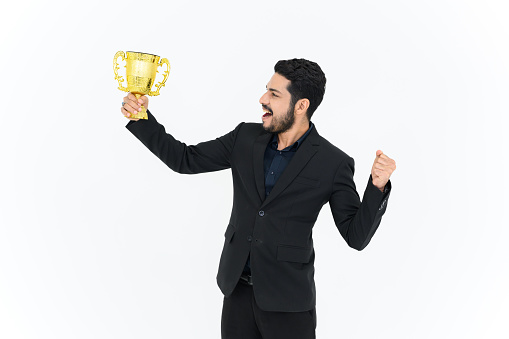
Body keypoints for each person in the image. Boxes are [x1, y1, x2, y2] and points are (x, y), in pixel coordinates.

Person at [120, 58, 396, 339]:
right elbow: (184, 159)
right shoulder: (244, 137)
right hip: (236, 291)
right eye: (267, 90)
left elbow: (355, 236)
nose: (263, 99)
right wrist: (141, 118)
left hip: (288, 303)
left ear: (301, 106)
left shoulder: (332, 162)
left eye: (274, 95)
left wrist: (377, 187)